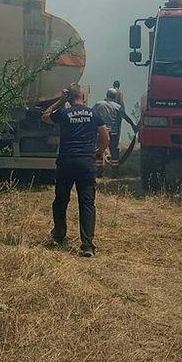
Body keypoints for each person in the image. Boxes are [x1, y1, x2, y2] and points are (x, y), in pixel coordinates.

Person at [41, 84, 110, 257]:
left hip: (66, 162)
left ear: (69, 98)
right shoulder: (94, 114)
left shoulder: (64, 113)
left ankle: (59, 235)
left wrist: (60, 101)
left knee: (61, 200)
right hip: (86, 163)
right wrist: (100, 151)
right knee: (87, 202)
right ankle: (87, 245)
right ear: (83, 97)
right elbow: (105, 136)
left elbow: (45, 116)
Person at [93, 88, 137, 171]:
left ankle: (99, 169)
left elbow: (92, 115)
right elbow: (125, 117)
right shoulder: (117, 107)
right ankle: (115, 170)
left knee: (100, 149)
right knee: (114, 150)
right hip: (113, 132)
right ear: (115, 97)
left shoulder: (98, 105)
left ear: (107, 95)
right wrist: (133, 125)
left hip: (101, 132)